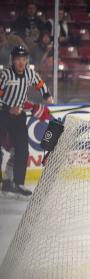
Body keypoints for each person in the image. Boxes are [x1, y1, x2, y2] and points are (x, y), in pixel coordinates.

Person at [0, 45, 53, 199]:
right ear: (13, 60)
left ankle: (16, 183)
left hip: (19, 116)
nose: (21, 62)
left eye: (23, 59)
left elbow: (40, 84)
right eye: (18, 59)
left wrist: (48, 96)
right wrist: (9, 108)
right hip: (3, 114)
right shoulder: (5, 75)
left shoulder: (30, 73)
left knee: (22, 150)